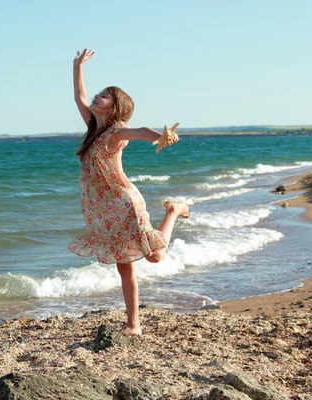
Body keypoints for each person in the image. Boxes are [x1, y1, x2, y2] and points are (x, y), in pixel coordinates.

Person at [68, 49, 189, 336]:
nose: (97, 98)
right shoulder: (93, 128)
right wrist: (77, 66)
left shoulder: (116, 132)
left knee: (155, 257)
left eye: (104, 96)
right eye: (99, 94)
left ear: (115, 107)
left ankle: (173, 210)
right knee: (124, 267)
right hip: (102, 208)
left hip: (123, 203)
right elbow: (79, 97)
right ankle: (133, 324)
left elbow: (140, 131)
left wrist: (160, 136)